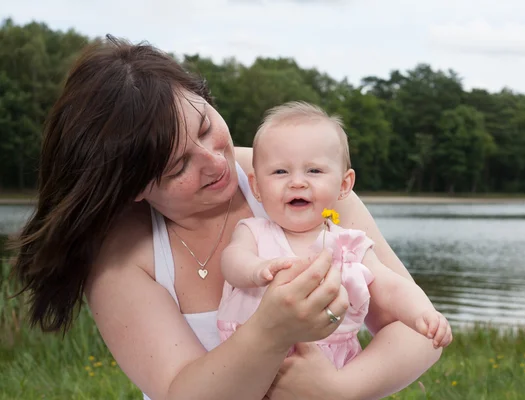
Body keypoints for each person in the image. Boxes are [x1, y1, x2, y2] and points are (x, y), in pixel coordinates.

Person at [10, 36, 444, 400]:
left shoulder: (296, 179)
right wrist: (271, 332)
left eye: (204, 128)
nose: (215, 162)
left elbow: (419, 328)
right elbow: (181, 391)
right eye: (178, 166)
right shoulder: (122, 256)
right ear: (133, 186)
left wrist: (340, 389)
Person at [217, 102, 452, 369]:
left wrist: (423, 313)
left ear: (343, 185)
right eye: (281, 171)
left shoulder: (349, 244)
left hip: (330, 365)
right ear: (257, 187)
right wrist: (256, 270)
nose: (297, 182)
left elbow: (390, 286)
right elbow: (232, 261)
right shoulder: (254, 232)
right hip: (253, 364)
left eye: (314, 170)